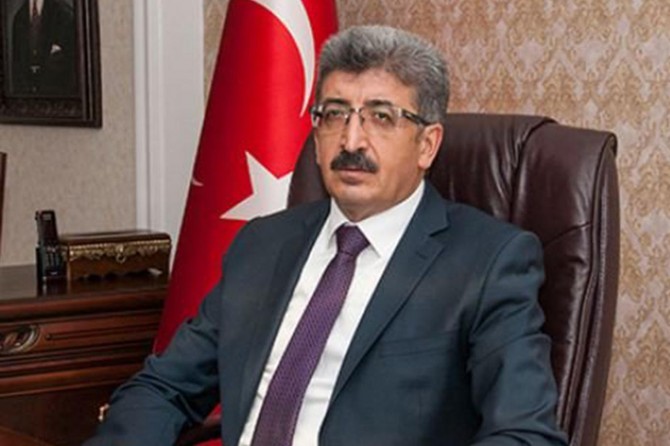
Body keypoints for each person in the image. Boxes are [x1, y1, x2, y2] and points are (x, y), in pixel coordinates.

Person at [84, 25, 567, 445]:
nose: (351, 141)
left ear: (427, 144)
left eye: (381, 117)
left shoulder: (488, 263)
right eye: (334, 114)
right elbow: (164, 387)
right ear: (315, 134)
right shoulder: (262, 245)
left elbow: (524, 433)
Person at [9, 0, 77, 96]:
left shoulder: (64, 14)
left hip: (57, 96)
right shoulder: (19, 17)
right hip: (28, 98)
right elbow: (17, 67)